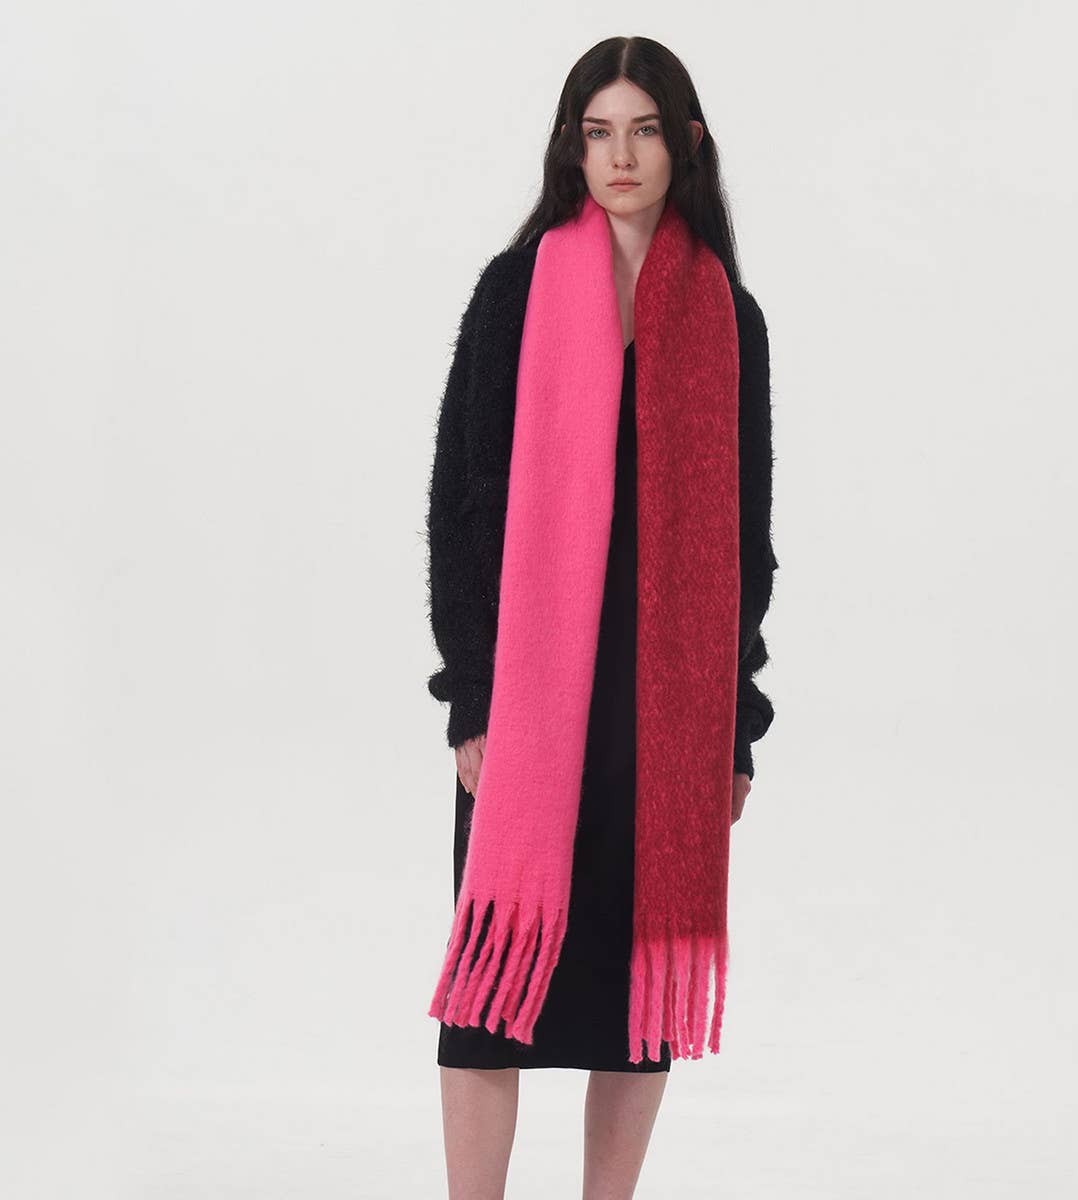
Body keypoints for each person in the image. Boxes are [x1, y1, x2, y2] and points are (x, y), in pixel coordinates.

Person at [424, 35, 777, 1200]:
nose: (619, 156)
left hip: (664, 705)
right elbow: (460, 506)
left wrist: (734, 725)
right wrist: (473, 696)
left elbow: (748, 538)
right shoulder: (514, 293)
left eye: (643, 131)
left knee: (635, 1000)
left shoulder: (728, 318)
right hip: (532, 697)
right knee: (490, 993)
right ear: (571, 149)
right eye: (597, 132)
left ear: (686, 145)